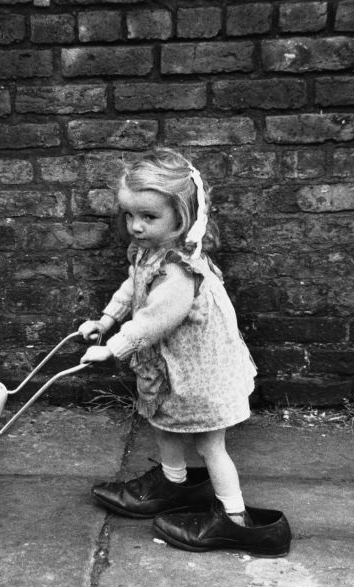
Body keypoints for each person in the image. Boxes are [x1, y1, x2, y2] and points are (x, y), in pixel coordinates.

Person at [78, 148, 290, 556]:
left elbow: (155, 319)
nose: (135, 226)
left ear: (183, 215)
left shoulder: (178, 271)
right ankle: (174, 483)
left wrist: (114, 347)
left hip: (202, 375)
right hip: (177, 369)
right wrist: (105, 320)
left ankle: (237, 519)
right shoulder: (149, 253)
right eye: (129, 216)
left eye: (148, 217)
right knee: (163, 422)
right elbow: (132, 288)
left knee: (211, 445)